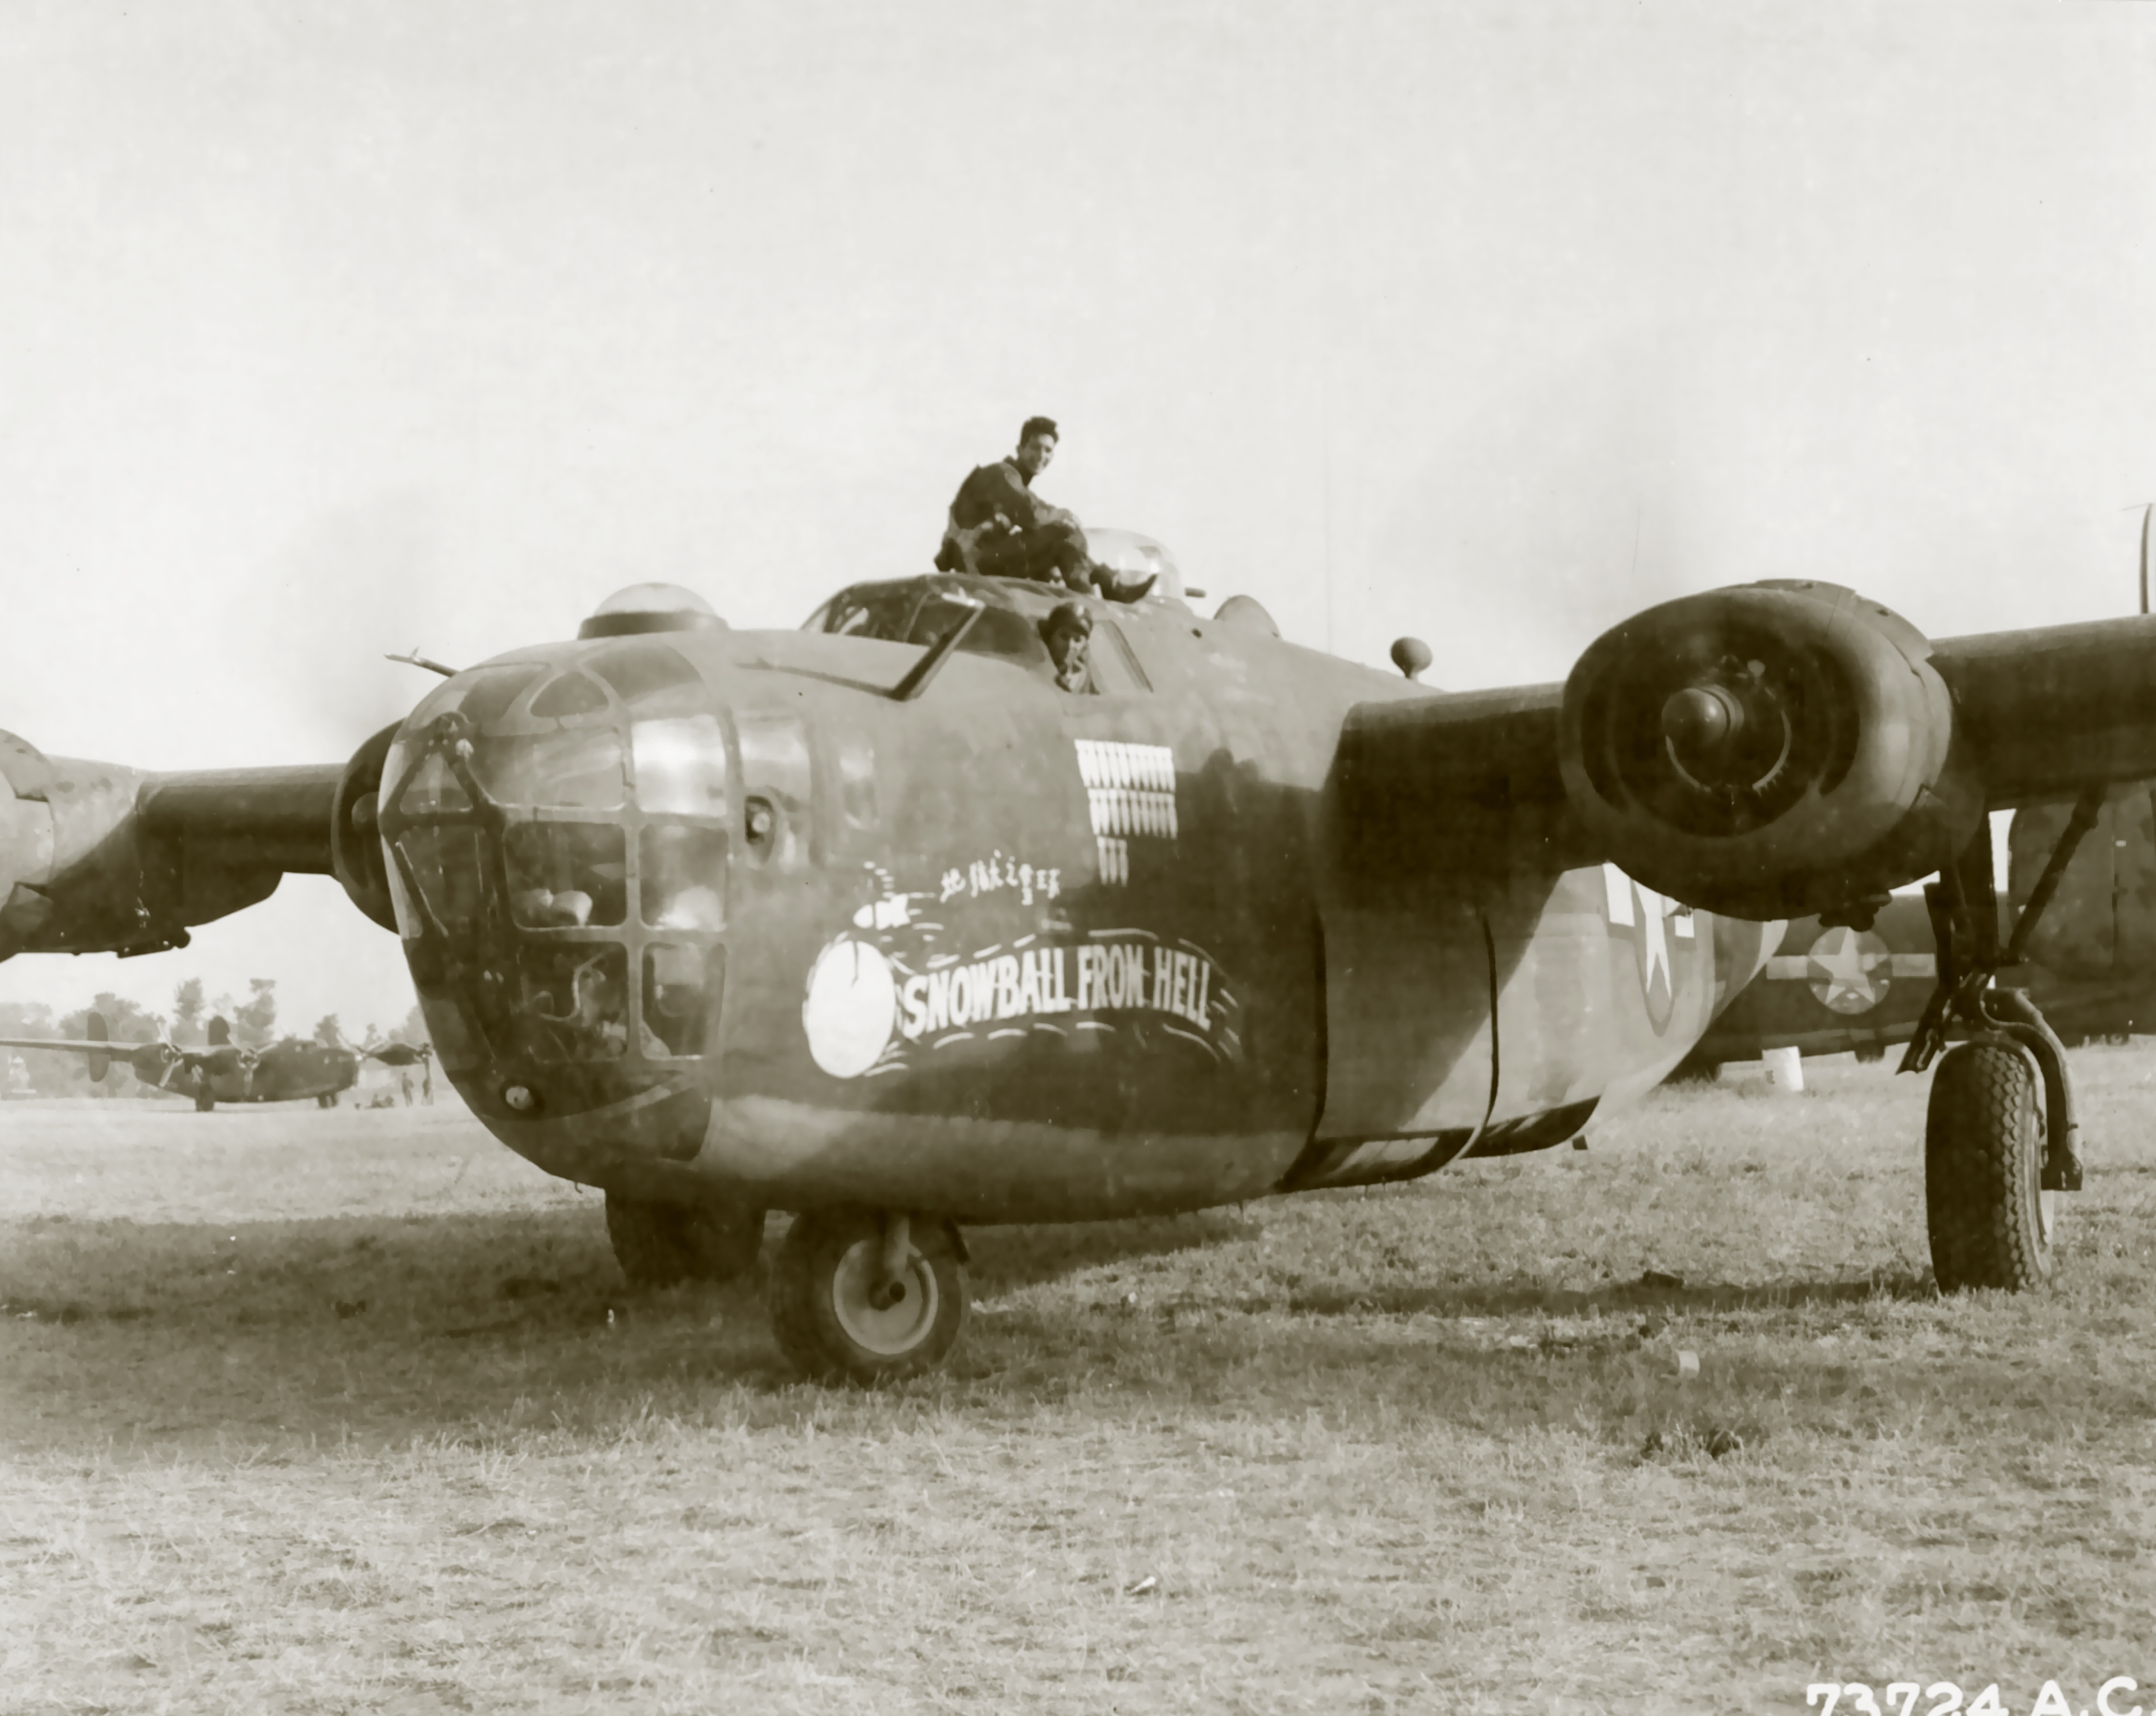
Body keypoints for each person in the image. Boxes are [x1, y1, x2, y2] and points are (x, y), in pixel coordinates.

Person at [935, 418, 1155, 600]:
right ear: (1019, 449)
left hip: (985, 560)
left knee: (1063, 538)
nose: (1041, 456)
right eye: (1035, 447)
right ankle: (1087, 595)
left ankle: (1108, 584)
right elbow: (1030, 512)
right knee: (1063, 532)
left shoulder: (1015, 481)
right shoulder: (1001, 475)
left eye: (1048, 450)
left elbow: (1033, 510)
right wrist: (1061, 516)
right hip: (976, 563)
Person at [1041, 601, 1095, 694]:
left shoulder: (1083, 679)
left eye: (1077, 640)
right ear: (1050, 637)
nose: (1070, 646)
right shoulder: (1033, 661)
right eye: (1064, 637)